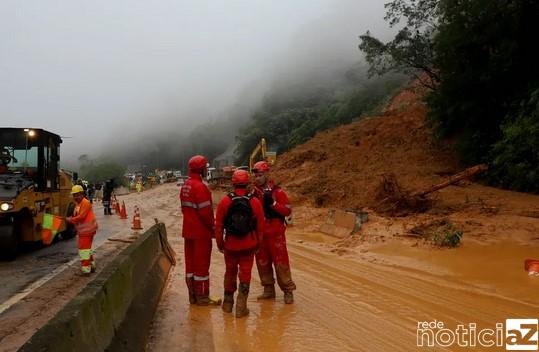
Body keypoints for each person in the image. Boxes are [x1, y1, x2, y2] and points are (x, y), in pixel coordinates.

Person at [215, 169, 264, 317]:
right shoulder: (255, 202)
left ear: (233, 183)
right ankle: (241, 307)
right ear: (248, 182)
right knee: (245, 273)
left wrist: (220, 244)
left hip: (230, 245)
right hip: (248, 245)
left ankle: (228, 304)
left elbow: (218, 227)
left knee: (230, 272)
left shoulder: (225, 201)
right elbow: (261, 227)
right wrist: (258, 245)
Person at [251, 161, 296, 304]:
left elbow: (287, 210)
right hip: (261, 234)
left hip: (276, 234)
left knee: (281, 262)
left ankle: (288, 290)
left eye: (260, 175)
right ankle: (268, 289)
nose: (257, 178)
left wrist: (273, 204)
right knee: (262, 262)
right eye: (256, 175)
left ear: (267, 174)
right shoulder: (253, 193)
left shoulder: (278, 192)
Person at [180, 155, 221, 306]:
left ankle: (193, 297)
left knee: (190, 266)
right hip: (201, 233)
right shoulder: (200, 187)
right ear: (202, 169)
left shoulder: (186, 185)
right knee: (202, 266)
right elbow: (206, 213)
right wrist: (213, 227)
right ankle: (203, 298)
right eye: (205, 167)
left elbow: (184, 209)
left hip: (188, 232)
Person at [66, 185, 98, 276]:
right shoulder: (78, 204)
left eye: (77, 195)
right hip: (83, 230)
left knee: (83, 250)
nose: (75, 197)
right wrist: (72, 218)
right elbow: (77, 215)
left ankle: (86, 270)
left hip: (87, 230)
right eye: (74, 195)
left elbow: (82, 216)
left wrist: (71, 220)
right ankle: (91, 266)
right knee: (87, 249)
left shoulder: (85, 202)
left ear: (82, 194)